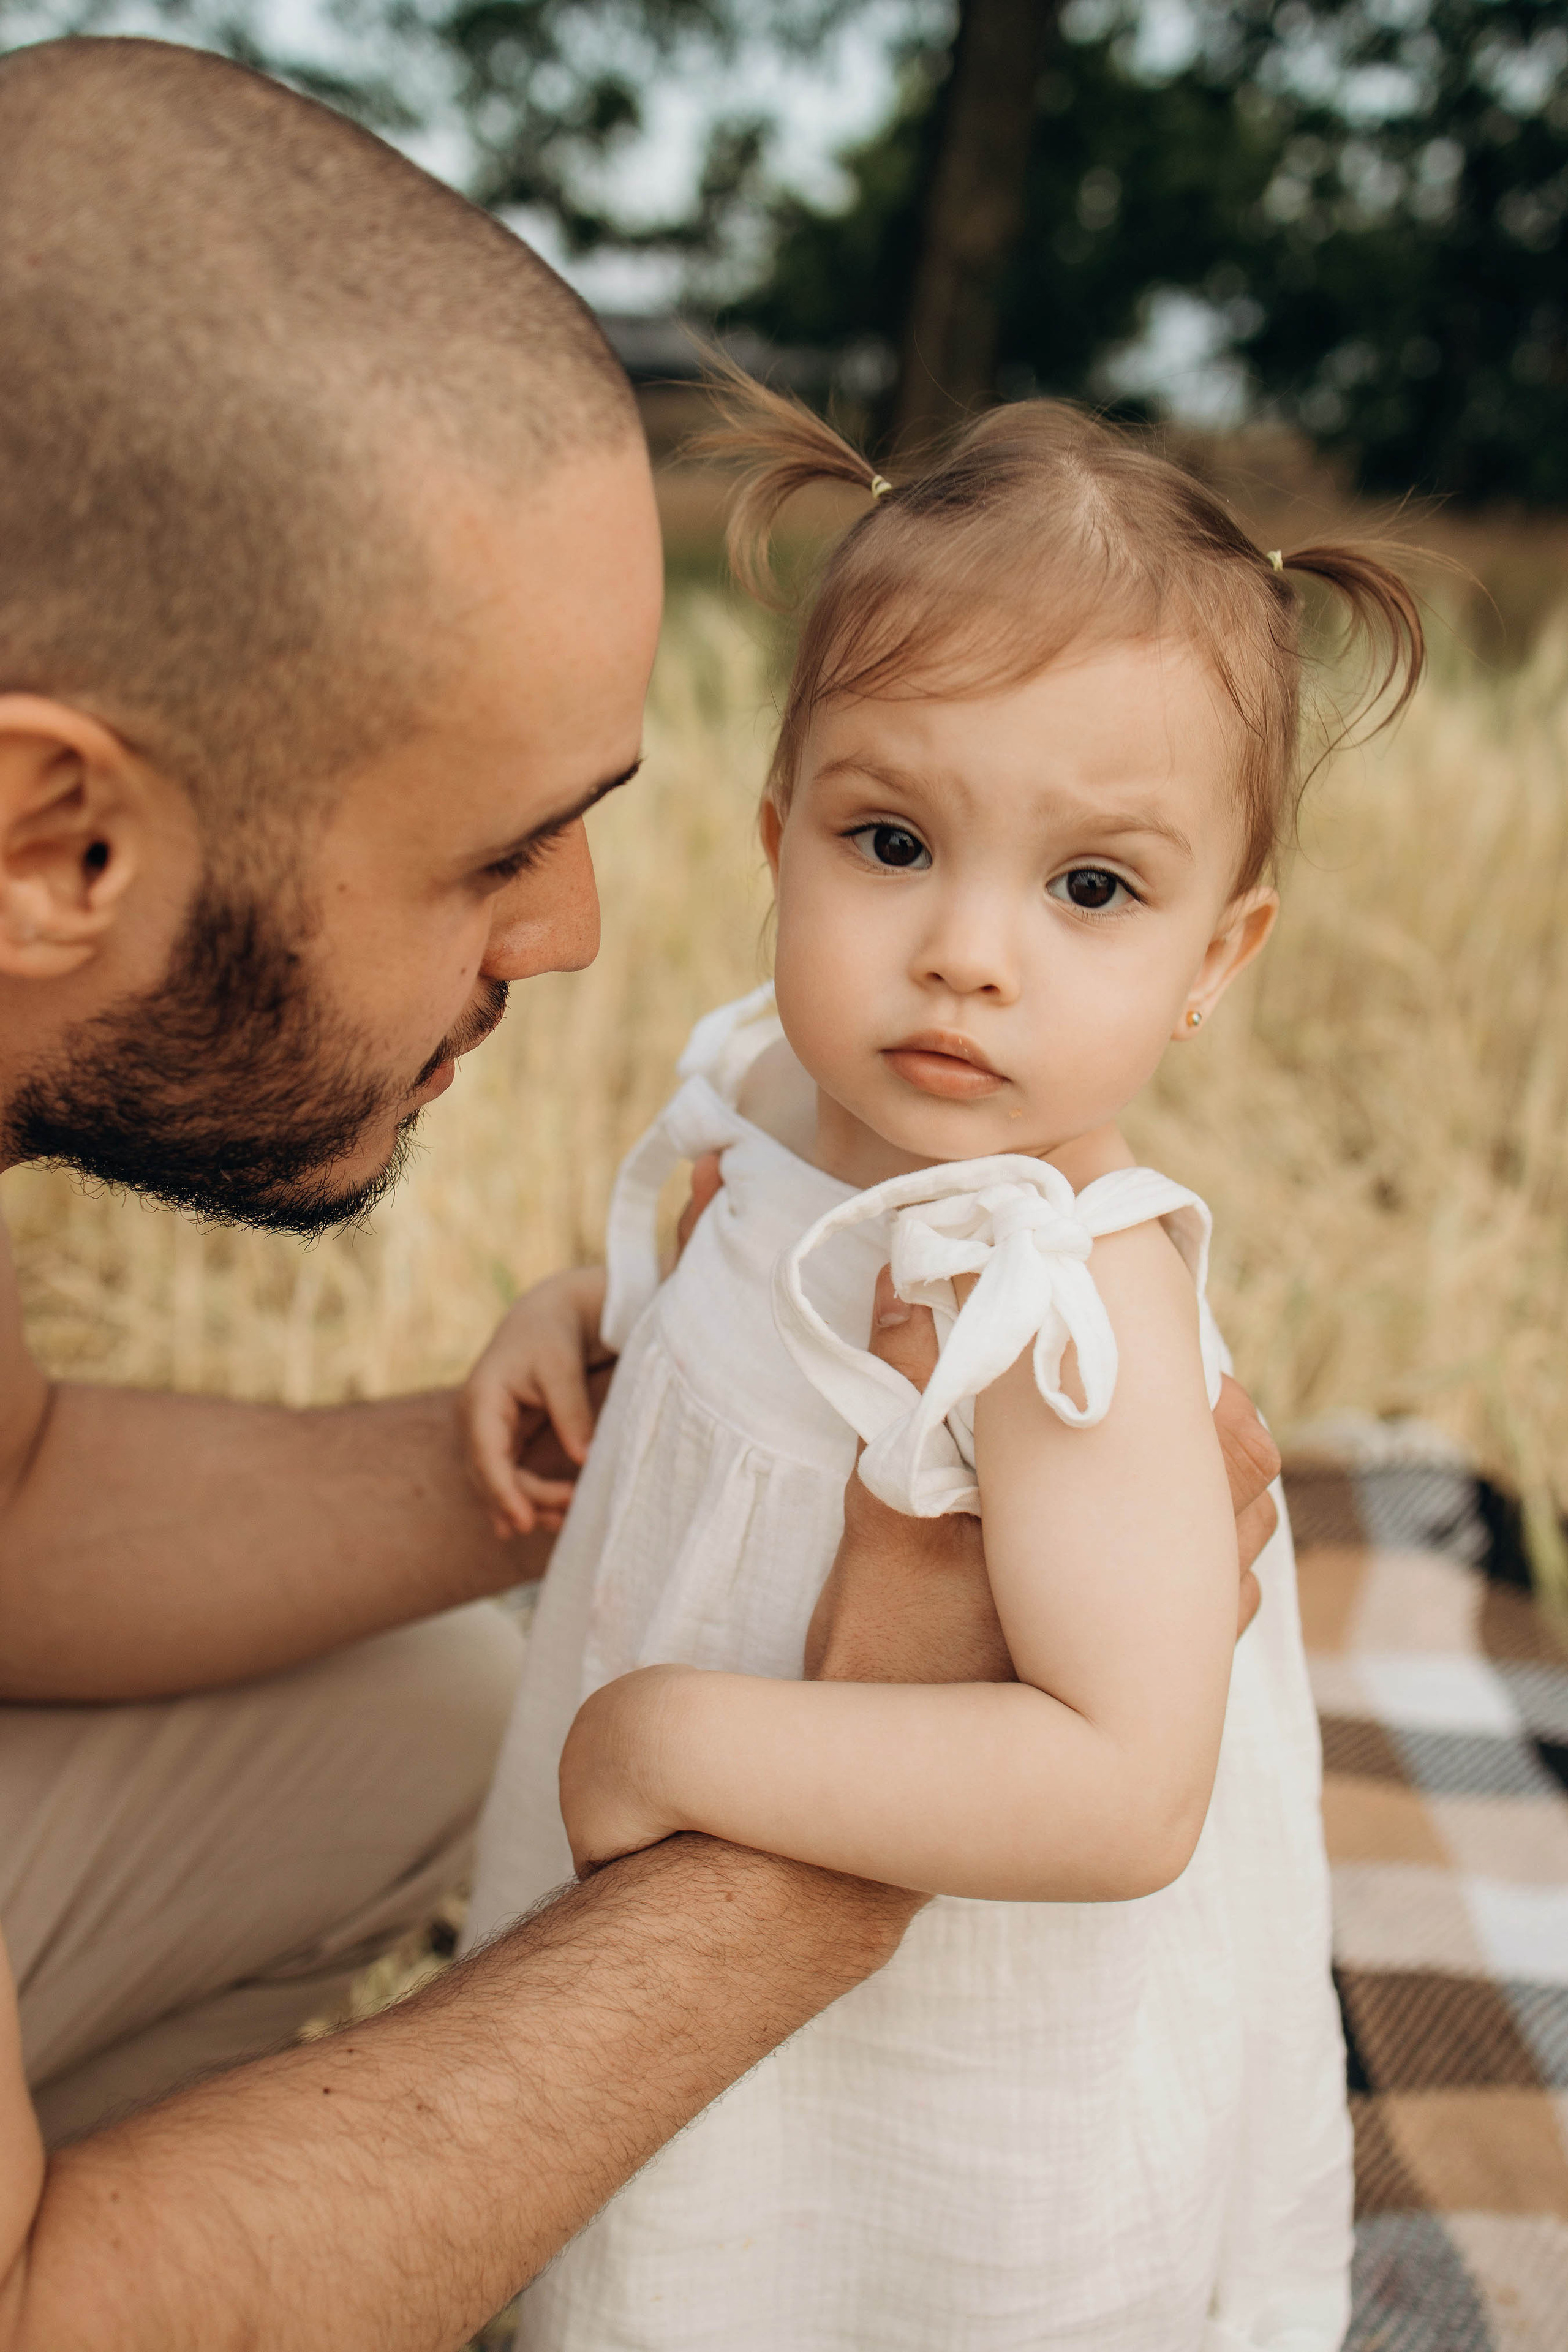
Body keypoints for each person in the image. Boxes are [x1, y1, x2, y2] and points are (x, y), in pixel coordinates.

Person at [0, 34, 1283, 2350]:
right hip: (777, 1863)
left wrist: (561, 1415)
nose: (578, 930)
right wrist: (770, 1853)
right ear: (54, 843)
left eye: (1093, 886)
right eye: (493, 845)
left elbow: (11, 1492)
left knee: (401, 1719)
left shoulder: (1021, 1266)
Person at [460, 381, 1424, 2349]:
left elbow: (1116, 1787)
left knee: (841, 2281)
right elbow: (746, 1295)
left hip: (945, 2033)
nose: (966, 951)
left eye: (1091, 888)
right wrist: (595, 1308)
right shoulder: (773, 1101)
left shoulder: (1062, 1300)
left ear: (1216, 961)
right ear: (778, 838)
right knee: (659, 2234)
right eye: (893, 840)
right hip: (706, 1956)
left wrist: (665, 1740)